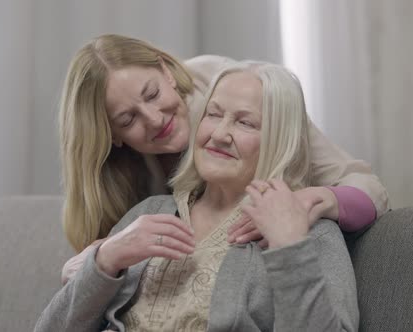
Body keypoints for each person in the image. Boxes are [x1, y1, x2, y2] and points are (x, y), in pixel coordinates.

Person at [35, 63, 359, 331]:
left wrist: (290, 249)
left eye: (245, 122)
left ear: (279, 138)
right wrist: (105, 261)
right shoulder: (148, 213)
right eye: (213, 114)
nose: (219, 134)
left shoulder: (311, 233)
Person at [59, 34, 388, 283]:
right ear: (111, 136)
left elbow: (366, 186)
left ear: (166, 70)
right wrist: (98, 259)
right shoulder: (133, 192)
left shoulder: (238, 87)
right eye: (128, 119)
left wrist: (314, 200)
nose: (155, 119)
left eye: (153, 94)